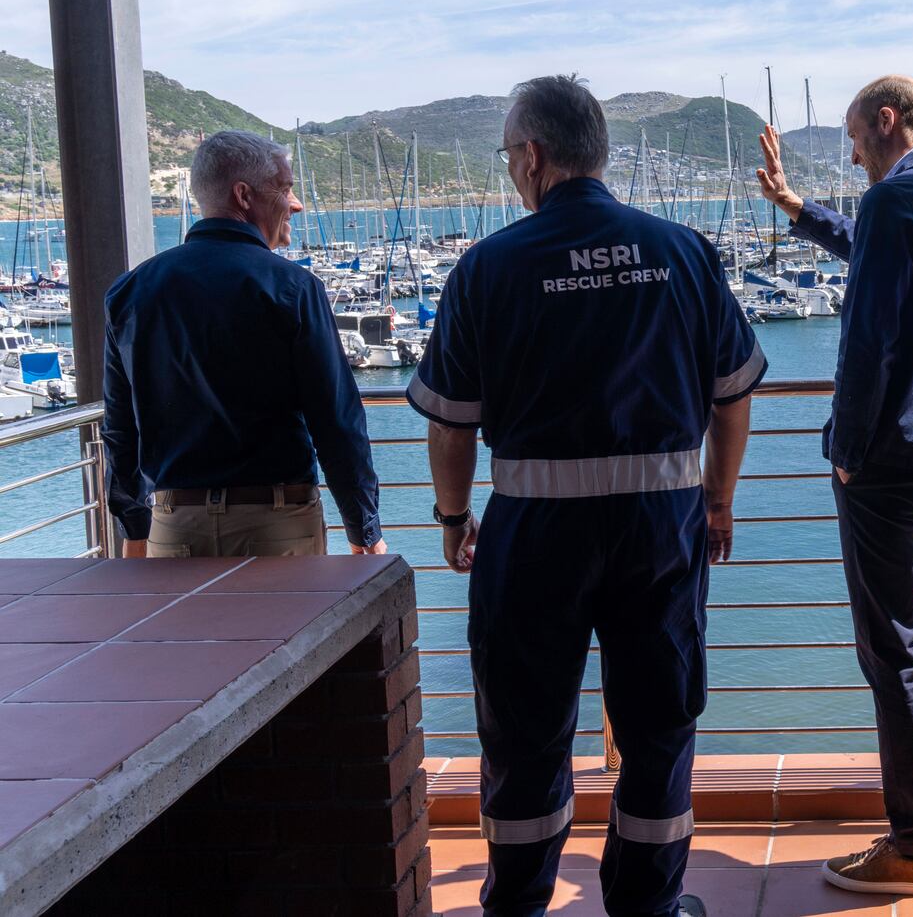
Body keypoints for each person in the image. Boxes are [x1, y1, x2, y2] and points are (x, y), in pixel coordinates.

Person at [408, 74, 763, 917]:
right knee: (658, 727)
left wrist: (454, 519)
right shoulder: (682, 251)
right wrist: (718, 498)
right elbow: (732, 391)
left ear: (532, 156)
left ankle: (521, 904)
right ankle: (649, 903)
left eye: (507, 156)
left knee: (525, 733)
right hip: (662, 531)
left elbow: (452, 424)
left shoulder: (487, 267)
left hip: (534, 535)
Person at [755, 75, 913, 897]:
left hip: (891, 462)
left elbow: (865, 345)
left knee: (893, 648)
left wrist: (846, 452)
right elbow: (891, 260)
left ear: (887, 120)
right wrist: (796, 207)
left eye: (855, 139)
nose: (853, 154)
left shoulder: (896, 201)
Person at [102, 130, 385, 559]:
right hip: (277, 525)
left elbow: (120, 428)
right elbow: (336, 420)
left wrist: (135, 532)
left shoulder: (130, 292)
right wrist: (364, 530)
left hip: (174, 527)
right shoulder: (292, 287)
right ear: (243, 195)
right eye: (286, 188)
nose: (296, 204)